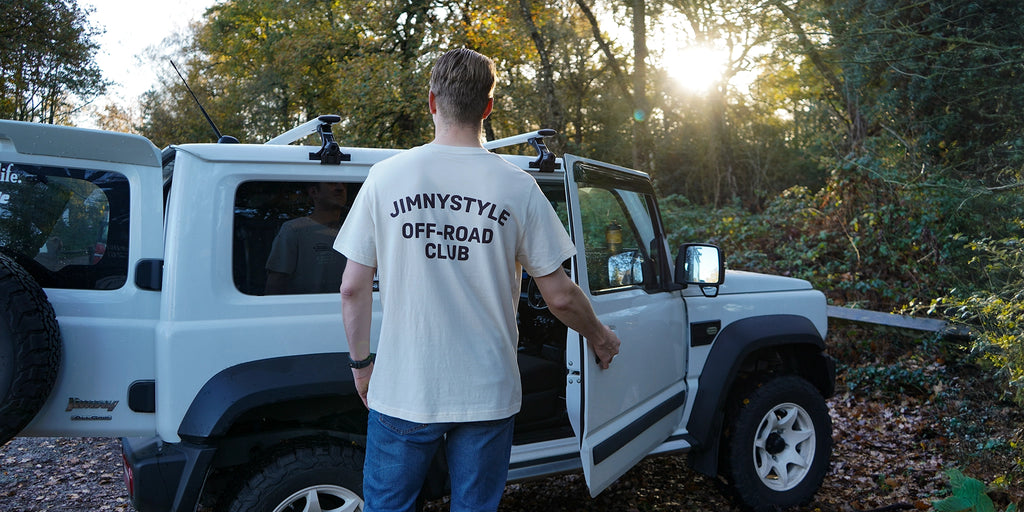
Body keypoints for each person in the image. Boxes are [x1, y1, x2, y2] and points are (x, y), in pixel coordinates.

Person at [334, 48, 621, 512]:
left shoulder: (385, 178)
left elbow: (352, 288)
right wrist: (601, 337)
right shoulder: (517, 185)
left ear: (432, 102)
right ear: (487, 107)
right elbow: (561, 297)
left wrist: (362, 366)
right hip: (487, 392)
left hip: (403, 387)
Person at [265, 182, 349, 294]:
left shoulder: (352, 233)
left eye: (344, 185)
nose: (340, 188)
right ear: (313, 192)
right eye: (331, 183)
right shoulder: (293, 230)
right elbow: (275, 285)